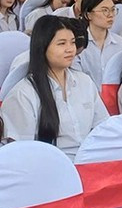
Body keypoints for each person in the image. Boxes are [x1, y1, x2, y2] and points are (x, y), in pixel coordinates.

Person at [0, 15, 108, 159]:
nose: (70, 49)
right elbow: (22, 153)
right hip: (50, 169)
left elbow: (102, 127)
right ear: (43, 47)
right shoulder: (23, 94)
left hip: (90, 163)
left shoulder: (84, 82)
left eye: (72, 42)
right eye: (62, 43)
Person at [71, 0, 122, 88]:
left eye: (113, 10)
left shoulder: (121, 44)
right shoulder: (78, 44)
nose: (110, 15)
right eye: (105, 10)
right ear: (88, 15)